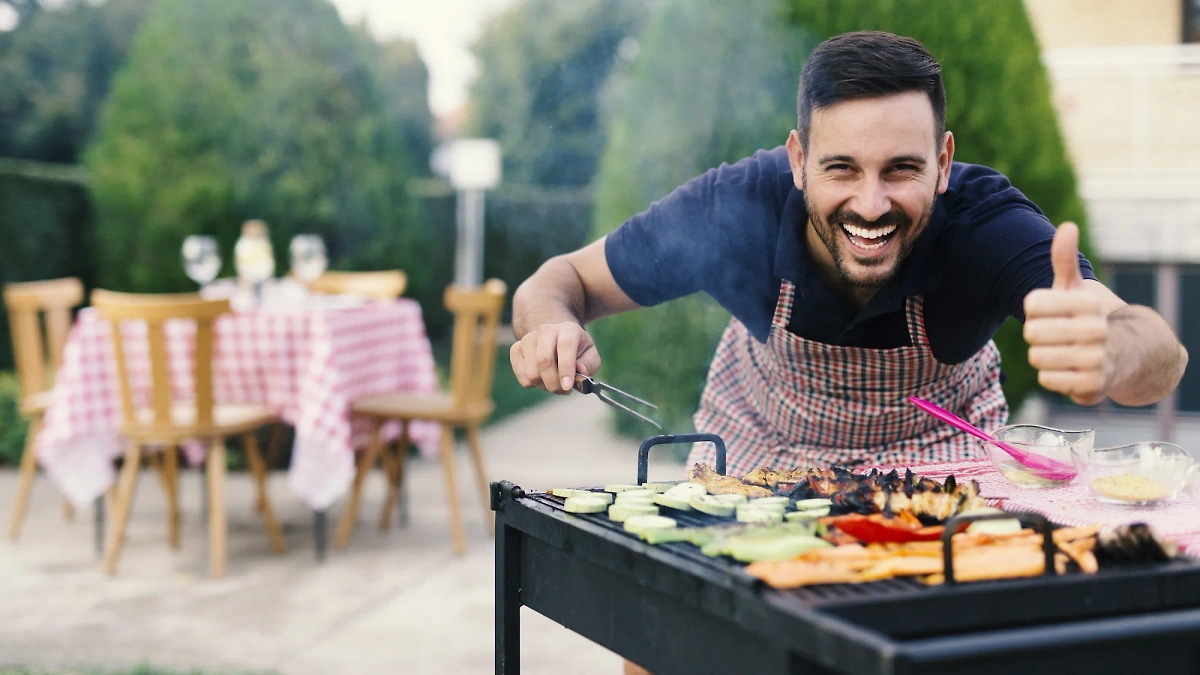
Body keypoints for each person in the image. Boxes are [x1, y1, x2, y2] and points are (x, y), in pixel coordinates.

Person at [510, 32, 1188, 672]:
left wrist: (1115, 355)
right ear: (798, 160)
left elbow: (1156, 349)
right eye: (842, 168)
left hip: (940, 459)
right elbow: (560, 281)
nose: (871, 204)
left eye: (901, 169)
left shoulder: (987, 225)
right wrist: (548, 326)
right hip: (761, 446)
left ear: (944, 162)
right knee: (673, 632)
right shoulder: (734, 207)